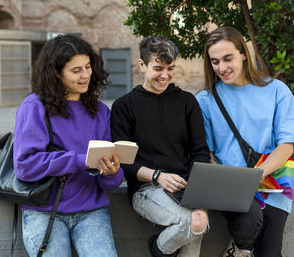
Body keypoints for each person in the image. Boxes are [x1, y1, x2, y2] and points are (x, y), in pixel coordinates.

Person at [196, 26, 294, 257]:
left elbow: (286, 145)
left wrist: (258, 174)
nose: (222, 68)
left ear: (244, 54)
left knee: (270, 252)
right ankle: (240, 250)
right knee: (249, 220)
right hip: (231, 186)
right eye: (215, 62)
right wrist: (232, 181)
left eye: (228, 59)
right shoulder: (205, 100)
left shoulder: (277, 91)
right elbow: (205, 152)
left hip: (273, 183)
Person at [13, 35, 124, 257]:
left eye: (88, 66)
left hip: (91, 210)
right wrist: (79, 160)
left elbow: (111, 183)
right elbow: (25, 165)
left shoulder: (101, 112)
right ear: (56, 72)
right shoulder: (35, 106)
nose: (85, 75)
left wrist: (112, 172)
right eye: (76, 71)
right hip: (44, 211)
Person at [111, 36, 210, 257]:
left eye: (171, 68)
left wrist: (199, 192)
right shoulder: (123, 106)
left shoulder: (187, 102)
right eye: (158, 68)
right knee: (190, 222)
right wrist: (158, 176)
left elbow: (200, 152)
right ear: (142, 65)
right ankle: (159, 249)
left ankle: (160, 249)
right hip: (145, 189)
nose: (165, 75)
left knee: (200, 220)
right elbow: (124, 162)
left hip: (186, 186)